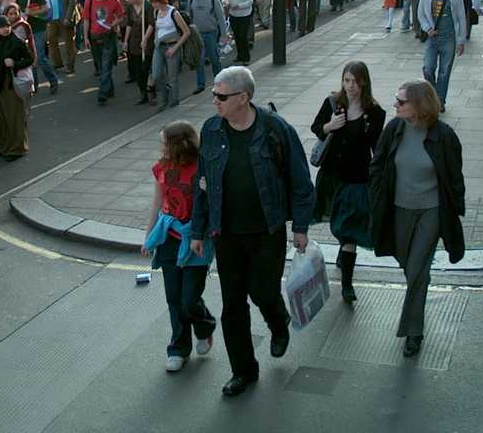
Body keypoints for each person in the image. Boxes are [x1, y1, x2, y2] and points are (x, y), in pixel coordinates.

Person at [189, 67, 314, 397]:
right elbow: (202, 185)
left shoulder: (275, 129)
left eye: (221, 96)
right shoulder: (211, 130)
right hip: (226, 233)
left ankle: (278, 321)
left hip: (266, 231)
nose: (214, 101)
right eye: (214, 94)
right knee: (232, 305)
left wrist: (300, 227)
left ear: (243, 98)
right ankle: (243, 371)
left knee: (262, 290)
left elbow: (301, 180)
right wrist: (197, 231)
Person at [369, 80, 465, 358]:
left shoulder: (444, 136)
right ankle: (419, 282)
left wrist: (456, 207)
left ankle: (413, 330)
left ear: (419, 105)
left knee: (417, 269)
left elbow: (454, 177)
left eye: (401, 102)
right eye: (396, 100)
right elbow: (377, 165)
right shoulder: (394, 129)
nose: (395, 105)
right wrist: (375, 197)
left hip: (431, 210)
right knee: (407, 262)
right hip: (399, 208)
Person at [141, 121, 216, 372]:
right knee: (174, 298)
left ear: (178, 145)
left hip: (197, 239)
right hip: (169, 238)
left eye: (164, 143)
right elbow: (157, 203)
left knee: (189, 299)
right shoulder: (160, 168)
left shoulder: (203, 167)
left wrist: (210, 190)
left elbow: (217, 203)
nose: (160, 147)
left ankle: (205, 327)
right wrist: (148, 236)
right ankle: (178, 349)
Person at [310, 61, 385, 303]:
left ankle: (347, 286)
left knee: (350, 229)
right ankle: (344, 248)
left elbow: (377, 148)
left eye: (355, 81)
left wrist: (381, 177)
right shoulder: (333, 103)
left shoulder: (374, 112)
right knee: (337, 221)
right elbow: (316, 127)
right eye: (346, 80)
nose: (350, 86)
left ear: (364, 81)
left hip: (357, 178)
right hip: (332, 176)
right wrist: (329, 126)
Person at [0, 16, 35, 161]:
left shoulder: (15, 42)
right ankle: (4, 146)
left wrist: (15, 63)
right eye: (2, 26)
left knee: (13, 118)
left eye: (8, 26)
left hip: (10, 86)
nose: (6, 29)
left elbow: (29, 59)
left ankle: (16, 149)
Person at [418, 0, 467, 112]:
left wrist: (461, 41)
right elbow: (421, 14)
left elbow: (461, 18)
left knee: (444, 72)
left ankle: (440, 100)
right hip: (432, 39)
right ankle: (432, 95)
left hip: (448, 38)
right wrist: (428, 28)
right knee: (428, 68)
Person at [11, 0, 59, 95]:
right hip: (26, 29)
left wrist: (32, 13)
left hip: (38, 28)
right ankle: (34, 84)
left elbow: (45, 8)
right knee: (29, 57)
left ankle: (53, 80)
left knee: (40, 56)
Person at [82, 0, 125, 105]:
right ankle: (109, 88)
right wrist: (85, 37)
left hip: (108, 37)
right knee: (101, 65)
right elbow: (86, 20)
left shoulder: (114, 1)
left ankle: (102, 93)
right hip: (94, 37)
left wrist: (114, 24)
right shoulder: (89, 1)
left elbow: (122, 16)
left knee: (106, 65)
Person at [188, 0, 229, 95]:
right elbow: (190, 18)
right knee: (199, 61)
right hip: (197, 35)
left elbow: (221, 18)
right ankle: (200, 84)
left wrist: (224, 34)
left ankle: (220, 83)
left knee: (215, 59)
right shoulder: (192, 0)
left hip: (211, 34)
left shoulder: (213, 0)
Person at [151, 0, 189, 111]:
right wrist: (156, 40)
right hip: (160, 46)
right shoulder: (156, 12)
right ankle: (164, 95)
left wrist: (175, 48)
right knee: (156, 74)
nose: (153, 5)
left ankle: (174, 101)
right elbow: (157, 28)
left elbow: (186, 32)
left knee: (172, 77)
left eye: (155, 2)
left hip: (172, 46)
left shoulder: (174, 13)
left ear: (161, 1)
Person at [123, 0, 154, 105]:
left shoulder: (147, 5)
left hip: (146, 40)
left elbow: (151, 24)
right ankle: (143, 93)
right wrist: (126, 40)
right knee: (137, 69)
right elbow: (129, 24)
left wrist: (145, 39)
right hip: (134, 41)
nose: (130, 1)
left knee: (145, 68)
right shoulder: (130, 7)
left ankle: (150, 89)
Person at [47, 0, 78, 75]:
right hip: (53, 17)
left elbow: (72, 2)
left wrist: (68, 17)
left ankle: (70, 65)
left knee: (68, 43)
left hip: (65, 16)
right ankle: (57, 63)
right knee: (51, 39)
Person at [223, 0, 254, 66]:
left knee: (242, 35)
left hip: (244, 14)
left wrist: (239, 6)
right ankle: (240, 55)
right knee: (236, 35)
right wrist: (226, 3)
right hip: (233, 14)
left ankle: (246, 57)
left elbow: (250, 1)